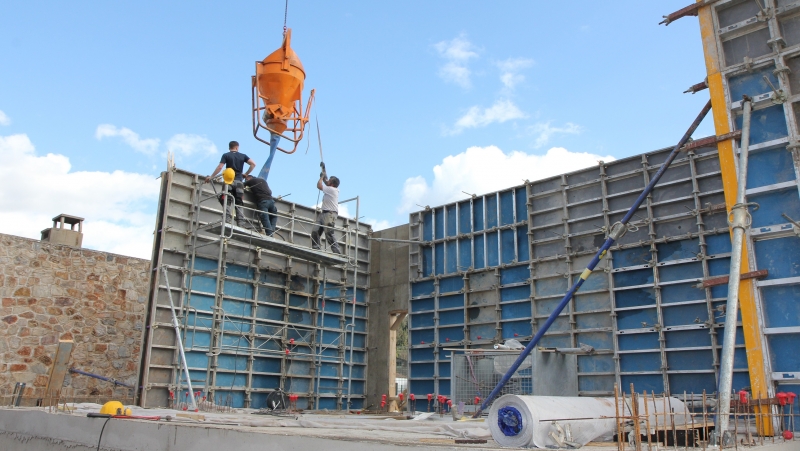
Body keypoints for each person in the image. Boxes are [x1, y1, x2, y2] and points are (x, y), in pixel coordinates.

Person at [205, 141, 256, 228]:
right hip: (239, 182)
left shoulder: (226, 155)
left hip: (228, 181)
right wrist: (246, 174)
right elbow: (253, 164)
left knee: (226, 200)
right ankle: (241, 223)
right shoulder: (243, 156)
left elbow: (220, 167)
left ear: (229, 148)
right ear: (237, 147)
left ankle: (227, 220)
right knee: (239, 202)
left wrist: (211, 177)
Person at [311, 173, 341, 254]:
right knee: (315, 230)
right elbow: (326, 182)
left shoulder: (332, 190)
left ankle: (337, 251)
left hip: (329, 214)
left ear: (332, 184)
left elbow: (319, 186)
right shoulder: (331, 188)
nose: (327, 182)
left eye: (329, 181)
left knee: (329, 233)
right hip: (324, 213)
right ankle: (316, 248)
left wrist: (321, 177)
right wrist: (324, 176)